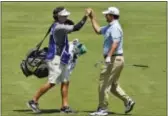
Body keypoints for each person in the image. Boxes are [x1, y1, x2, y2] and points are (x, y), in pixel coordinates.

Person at [27, 6, 91, 113]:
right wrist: (86, 16)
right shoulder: (58, 27)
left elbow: (69, 29)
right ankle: (33, 101)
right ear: (58, 16)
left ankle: (64, 107)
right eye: (64, 15)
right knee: (52, 82)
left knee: (65, 81)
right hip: (54, 58)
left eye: (66, 15)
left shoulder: (60, 25)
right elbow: (77, 27)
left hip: (63, 57)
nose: (66, 16)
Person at [87, 7, 135, 116]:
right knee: (113, 85)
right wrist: (92, 18)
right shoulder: (110, 26)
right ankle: (128, 101)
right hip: (115, 59)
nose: (105, 16)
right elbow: (98, 30)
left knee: (103, 83)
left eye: (107, 14)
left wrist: (108, 56)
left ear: (112, 16)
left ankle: (103, 109)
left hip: (114, 59)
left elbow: (115, 43)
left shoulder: (115, 27)